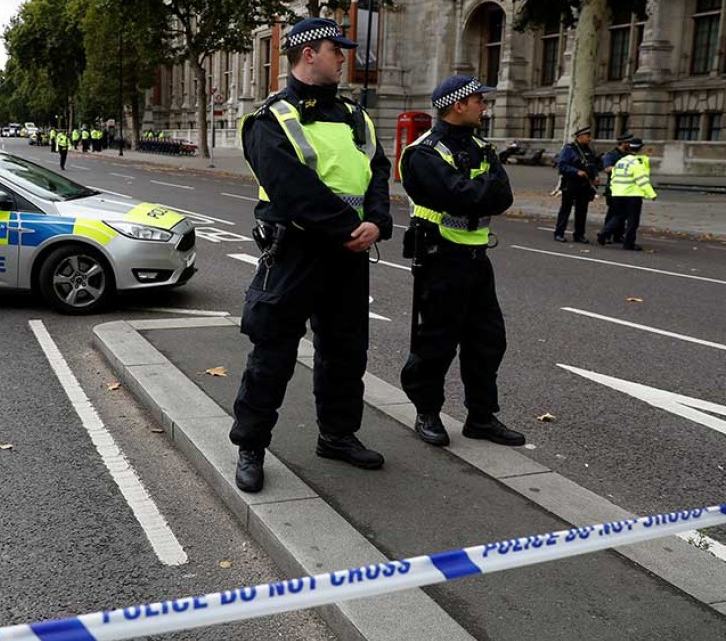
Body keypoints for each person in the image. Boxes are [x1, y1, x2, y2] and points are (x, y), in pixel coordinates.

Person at [229, 17, 392, 493]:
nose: (343, 57)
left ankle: (337, 435)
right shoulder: (270, 119)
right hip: (296, 251)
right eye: (335, 49)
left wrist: (377, 221)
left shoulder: (356, 115)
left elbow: (378, 170)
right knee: (272, 351)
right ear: (307, 54)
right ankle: (251, 446)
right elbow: (290, 188)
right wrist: (349, 228)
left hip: (349, 253)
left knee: (345, 351)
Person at [398, 75, 525, 448]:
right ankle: (427, 411)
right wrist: (480, 192)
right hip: (440, 257)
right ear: (458, 105)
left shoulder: (482, 147)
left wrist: (477, 193)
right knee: (436, 341)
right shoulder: (424, 152)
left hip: (476, 257)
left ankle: (481, 417)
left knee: (488, 341)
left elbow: (502, 197)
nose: (483, 107)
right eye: (478, 101)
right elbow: (459, 196)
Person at [598, 138, 656, 251]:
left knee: (619, 216)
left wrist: (614, 191)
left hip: (618, 193)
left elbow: (614, 177)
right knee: (632, 220)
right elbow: (642, 180)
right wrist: (651, 194)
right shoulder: (637, 162)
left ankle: (604, 233)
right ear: (640, 149)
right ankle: (629, 243)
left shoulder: (621, 161)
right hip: (632, 195)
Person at [552, 126, 600, 243]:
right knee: (566, 209)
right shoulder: (569, 149)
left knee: (582, 210)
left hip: (584, 185)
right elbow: (562, 165)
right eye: (588, 137)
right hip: (571, 183)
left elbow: (592, 165)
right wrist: (576, 172)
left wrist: (596, 176)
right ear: (581, 137)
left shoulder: (588, 150)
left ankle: (579, 234)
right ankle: (559, 233)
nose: (590, 139)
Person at [599, 132, 633, 244]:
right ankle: (606, 234)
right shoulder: (611, 155)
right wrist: (623, 168)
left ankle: (618, 235)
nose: (630, 145)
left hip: (625, 189)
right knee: (613, 212)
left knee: (623, 213)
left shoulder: (629, 155)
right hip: (613, 189)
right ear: (623, 143)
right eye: (629, 142)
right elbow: (607, 169)